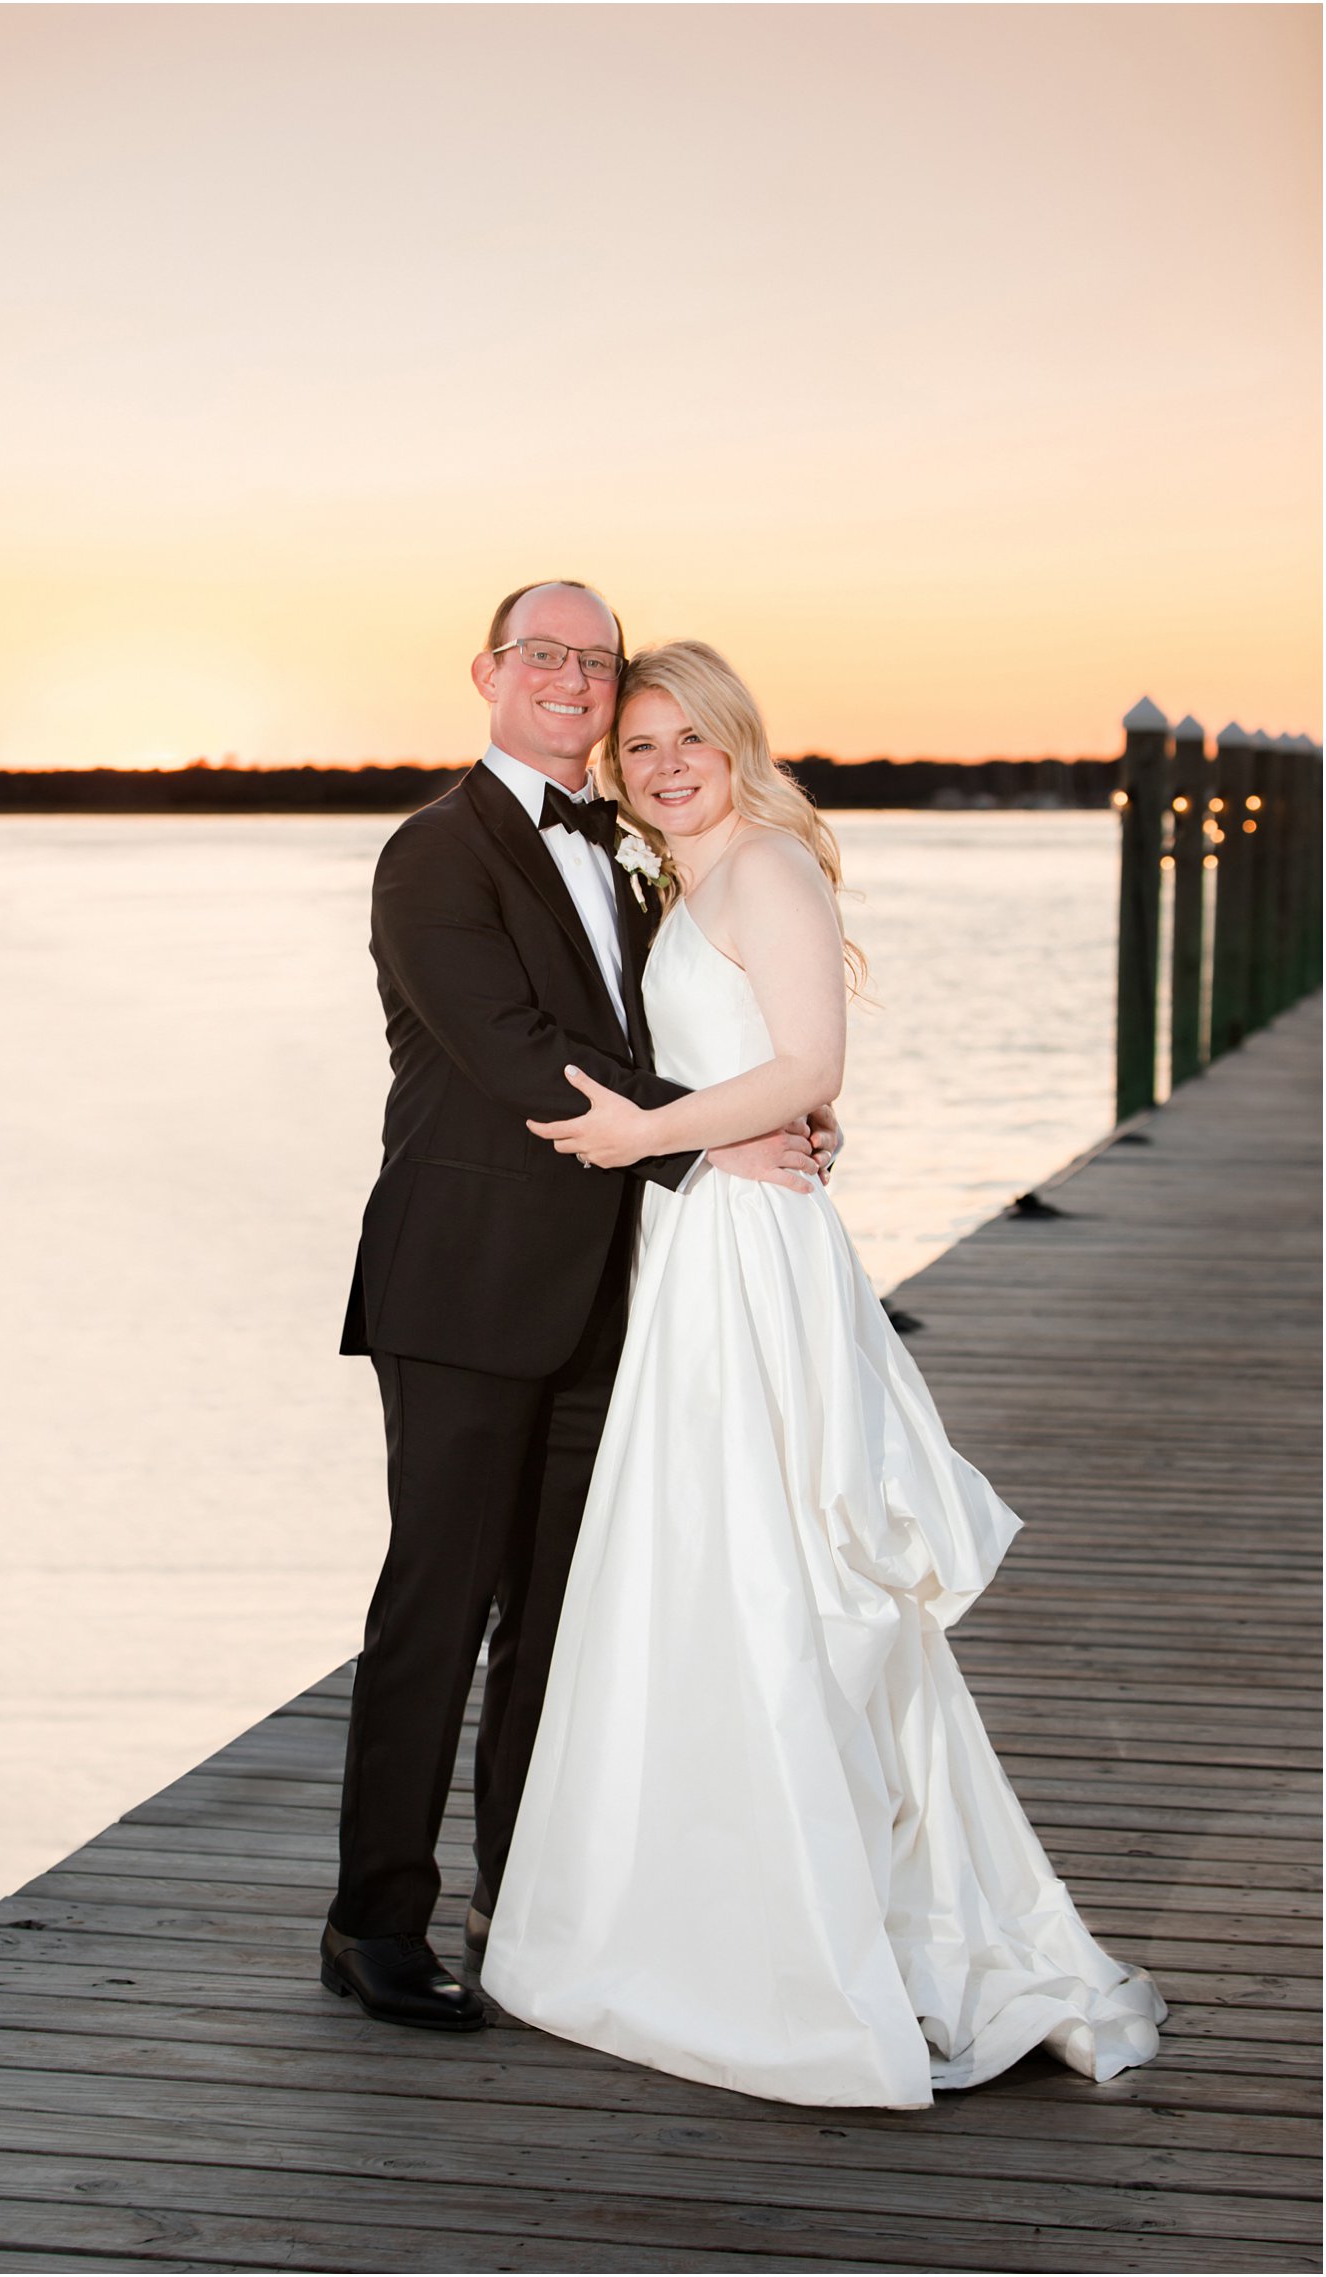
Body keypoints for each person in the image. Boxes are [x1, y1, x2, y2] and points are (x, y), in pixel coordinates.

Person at [480, 639, 1166, 2104]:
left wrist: (643, 1136)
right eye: (641, 744)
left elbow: (809, 1067)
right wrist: (700, 1129)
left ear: (740, 743)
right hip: (706, 1245)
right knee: (710, 1557)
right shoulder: (695, 879)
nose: (664, 765)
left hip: (752, 1254)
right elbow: (759, 1076)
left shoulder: (773, 870)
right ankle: (705, 1906)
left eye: (690, 740)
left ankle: (807, 1938)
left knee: (774, 1558)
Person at [323, 586, 841, 2031]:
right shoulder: (433, 853)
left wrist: (770, 1111)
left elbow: (683, 1028)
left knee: (561, 1615)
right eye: (542, 654)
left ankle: (527, 1893)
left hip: (619, 1287)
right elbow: (518, 1053)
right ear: (487, 672)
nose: (571, 677)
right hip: (467, 1279)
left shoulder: (628, 856)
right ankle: (373, 1921)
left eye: (594, 661)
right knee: (438, 1601)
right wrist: (718, 1131)